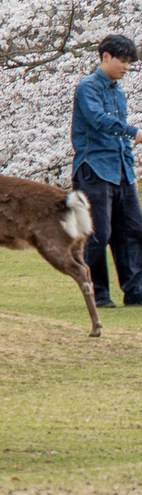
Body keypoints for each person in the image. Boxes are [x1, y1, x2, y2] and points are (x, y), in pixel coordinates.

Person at [73, 34, 142, 310]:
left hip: (121, 169)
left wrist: (130, 170)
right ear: (105, 57)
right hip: (94, 168)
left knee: (133, 230)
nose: (126, 67)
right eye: (122, 61)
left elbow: (118, 134)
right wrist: (132, 131)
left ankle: (135, 289)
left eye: (129, 62)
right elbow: (99, 121)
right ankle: (99, 292)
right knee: (98, 233)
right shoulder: (87, 88)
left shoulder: (118, 92)